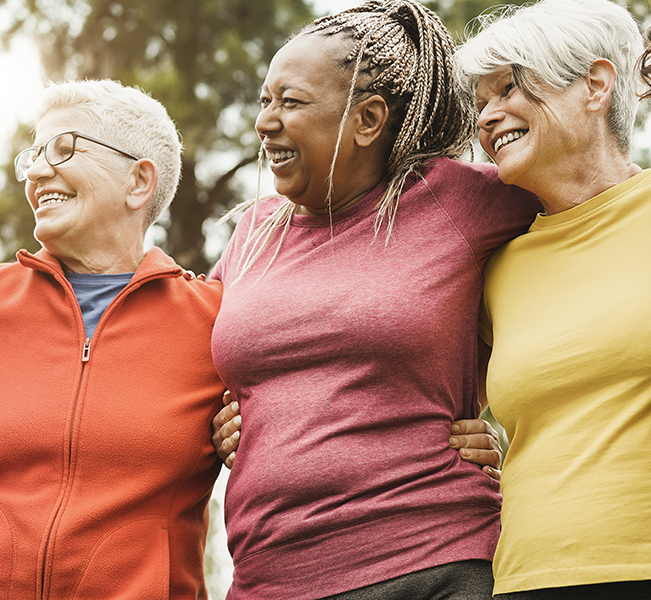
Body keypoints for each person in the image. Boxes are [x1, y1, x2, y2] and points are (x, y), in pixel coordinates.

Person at [209, 1, 541, 598]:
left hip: (435, 562)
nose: (265, 121)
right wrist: (217, 420)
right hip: (268, 576)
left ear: (367, 119)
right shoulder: (250, 233)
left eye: (291, 101)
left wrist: (512, 402)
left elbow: (590, 212)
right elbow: (178, 360)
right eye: (264, 100)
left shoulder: (453, 200)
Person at [0, 79, 228, 600]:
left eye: (64, 149)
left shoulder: (217, 324)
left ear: (138, 182)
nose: (37, 171)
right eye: (32, 155)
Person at [452, 0, 651, 597]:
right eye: (481, 104)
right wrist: (250, 416)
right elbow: (423, 403)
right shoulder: (498, 270)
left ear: (595, 84)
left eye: (510, 89)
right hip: (525, 579)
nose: (489, 117)